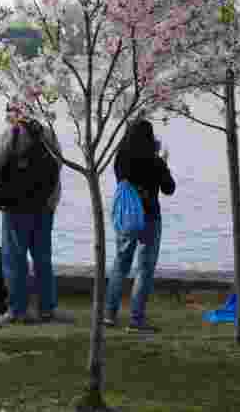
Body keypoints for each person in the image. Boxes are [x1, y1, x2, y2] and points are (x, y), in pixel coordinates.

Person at [0, 103, 63, 326]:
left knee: (14, 259)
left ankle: (17, 310)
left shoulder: (12, 133)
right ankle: (47, 308)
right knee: (43, 258)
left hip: (16, 207)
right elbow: (58, 166)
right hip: (44, 206)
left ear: (13, 114)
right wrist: (50, 201)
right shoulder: (48, 133)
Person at [104, 118, 176, 333]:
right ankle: (136, 319)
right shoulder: (155, 161)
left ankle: (109, 314)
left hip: (126, 218)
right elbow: (169, 188)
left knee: (120, 264)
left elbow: (122, 180)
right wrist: (163, 162)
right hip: (150, 218)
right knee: (144, 269)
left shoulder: (121, 159)